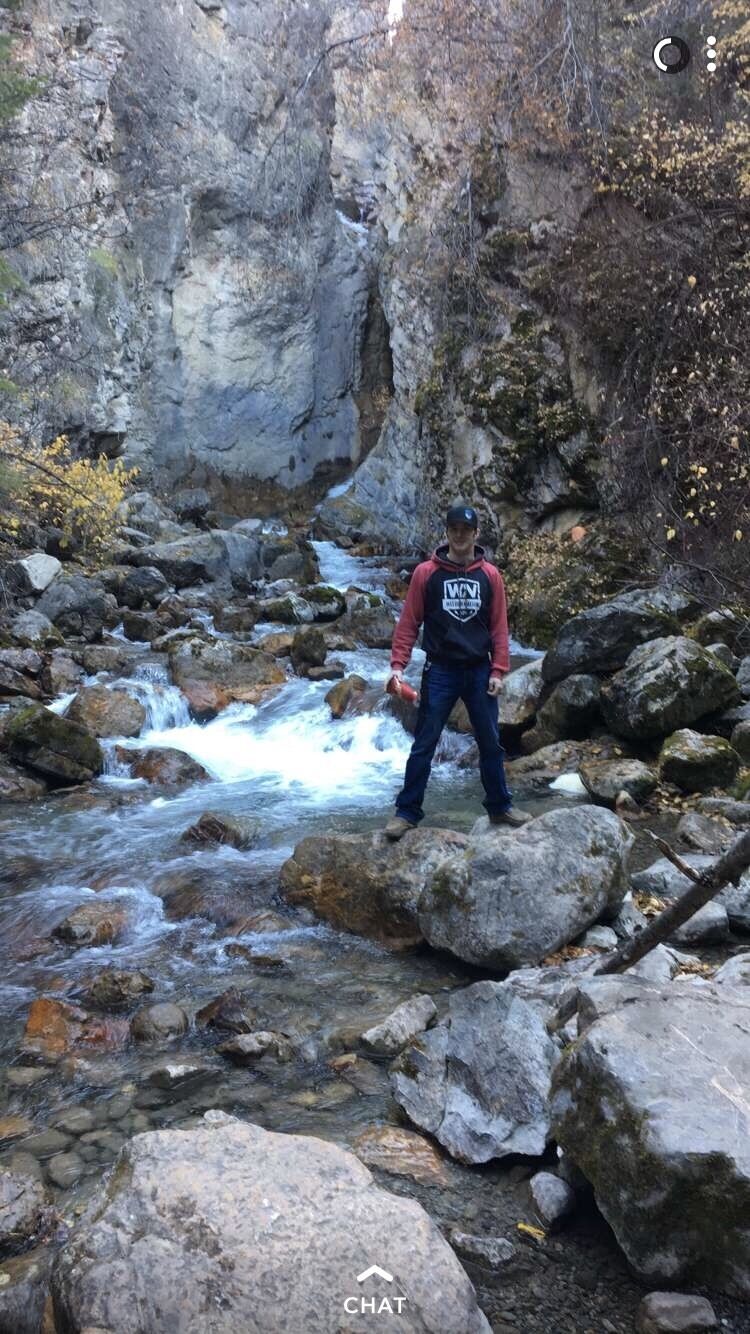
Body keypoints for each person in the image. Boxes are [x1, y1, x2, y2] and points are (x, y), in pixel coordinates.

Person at [384, 503, 532, 839]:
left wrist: (498, 670)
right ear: (447, 532)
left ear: (476, 533)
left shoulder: (490, 576)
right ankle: (406, 813)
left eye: (466, 530)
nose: (460, 535)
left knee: (491, 743)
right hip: (440, 669)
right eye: (454, 529)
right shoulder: (426, 574)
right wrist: (397, 667)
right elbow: (408, 624)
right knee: (424, 743)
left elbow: (499, 627)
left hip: (479, 670)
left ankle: (500, 806)